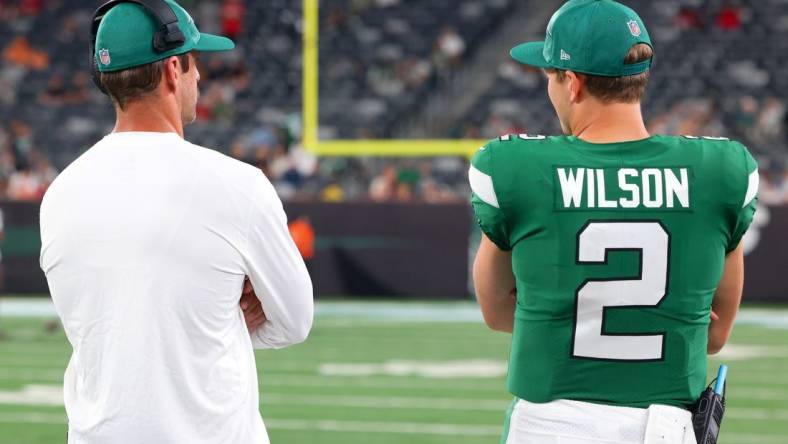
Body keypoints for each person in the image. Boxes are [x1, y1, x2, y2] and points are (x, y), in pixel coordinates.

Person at [469, 1, 757, 443]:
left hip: (552, 425)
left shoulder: (518, 168)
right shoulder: (721, 171)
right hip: (666, 426)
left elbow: (497, 310)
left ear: (573, 82)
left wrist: (561, 319)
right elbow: (714, 333)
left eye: (550, 74)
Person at [38, 1, 313, 443]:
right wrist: (219, 312)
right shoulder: (238, 185)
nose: (200, 77)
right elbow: (295, 321)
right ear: (171, 70)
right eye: (194, 64)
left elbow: (116, 319)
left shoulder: (58, 194)